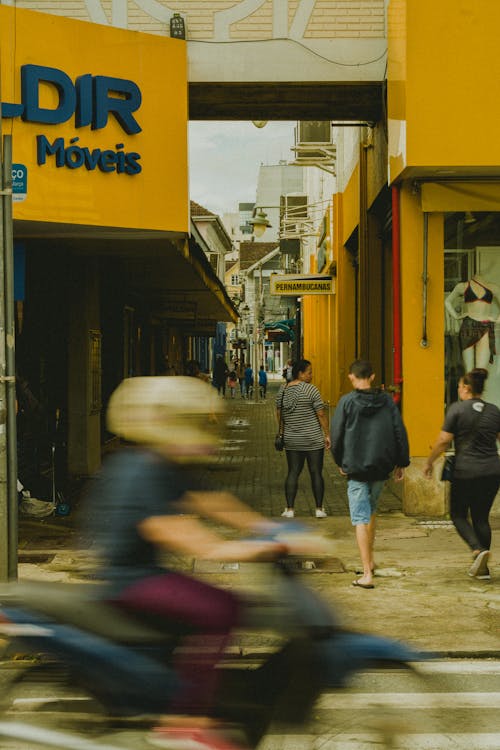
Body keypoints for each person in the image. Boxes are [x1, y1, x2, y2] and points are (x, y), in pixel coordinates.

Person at [88, 376, 287, 750]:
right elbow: (177, 534)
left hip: (147, 573)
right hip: (130, 580)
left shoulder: (163, 463)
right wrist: (240, 550)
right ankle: (184, 722)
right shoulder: (141, 469)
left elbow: (211, 500)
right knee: (221, 607)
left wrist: (270, 527)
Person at [330, 360, 410, 589]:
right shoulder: (386, 401)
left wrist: (340, 461)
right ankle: (371, 561)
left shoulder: (346, 402)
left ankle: (366, 574)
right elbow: (399, 431)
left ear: (351, 377)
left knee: (360, 519)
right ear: (372, 376)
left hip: (355, 468)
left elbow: (336, 435)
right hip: (381, 466)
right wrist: (401, 462)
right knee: (371, 511)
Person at [423, 368, 500, 580]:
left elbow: (443, 441)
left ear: (466, 388)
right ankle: (482, 568)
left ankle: (477, 550)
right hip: (492, 471)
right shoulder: (494, 411)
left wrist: (429, 462)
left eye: (459, 386)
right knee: (481, 518)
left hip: (465, 471)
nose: (458, 389)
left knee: (457, 514)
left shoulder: (457, 410)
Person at [276, 359, 331, 519]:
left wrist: (283, 431)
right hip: (313, 439)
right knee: (316, 473)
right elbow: (320, 414)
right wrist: (327, 434)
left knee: (293, 472)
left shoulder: (283, 390)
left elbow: (278, 413)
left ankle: (290, 509)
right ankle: (319, 509)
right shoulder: (312, 390)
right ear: (300, 373)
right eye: (309, 372)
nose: (311, 375)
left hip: (292, 440)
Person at [445, 276, 500, 370]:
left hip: (484, 326)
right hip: (469, 326)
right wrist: (456, 316)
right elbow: (447, 301)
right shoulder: (463, 286)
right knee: (470, 370)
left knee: (481, 371)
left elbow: (447, 302)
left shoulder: (493, 288)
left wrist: (497, 319)